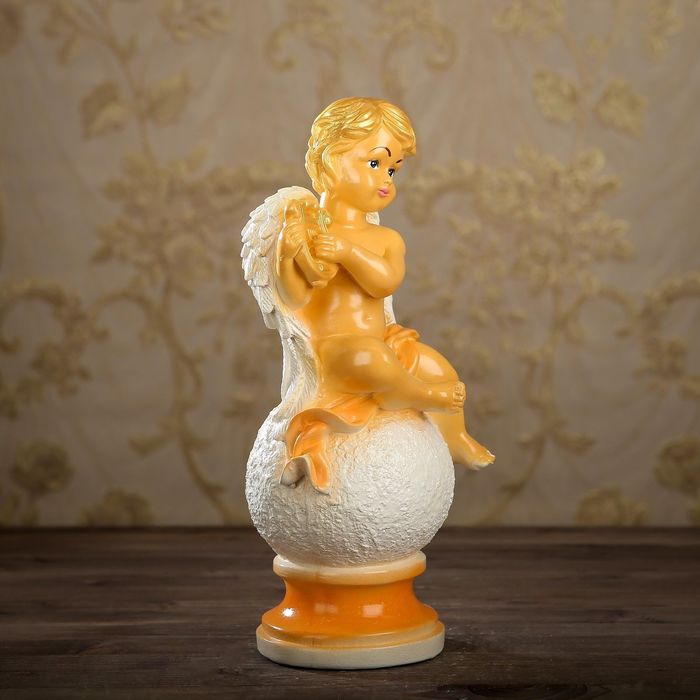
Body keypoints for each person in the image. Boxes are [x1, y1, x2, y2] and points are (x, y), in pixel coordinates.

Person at [275, 97, 494, 491]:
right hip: (337, 352)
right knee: (370, 358)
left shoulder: (385, 238)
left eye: (393, 169)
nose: (387, 179)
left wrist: (347, 251)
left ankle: (456, 437)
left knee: (434, 364)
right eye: (375, 163)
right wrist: (287, 254)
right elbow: (293, 298)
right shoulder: (311, 232)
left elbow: (385, 282)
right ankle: (422, 395)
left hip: (384, 340)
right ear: (330, 160)